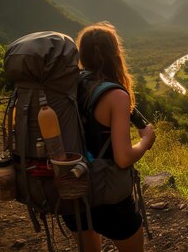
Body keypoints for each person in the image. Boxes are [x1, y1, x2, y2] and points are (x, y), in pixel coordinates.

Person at [62, 22, 156, 252]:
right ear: (116, 54)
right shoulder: (116, 95)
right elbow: (123, 158)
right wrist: (146, 141)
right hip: (109, 198)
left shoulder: (67, 86)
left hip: (72, 189)